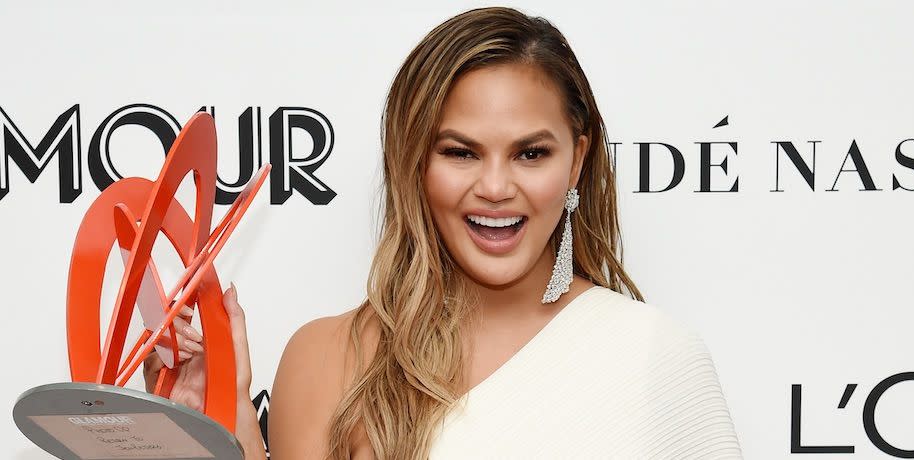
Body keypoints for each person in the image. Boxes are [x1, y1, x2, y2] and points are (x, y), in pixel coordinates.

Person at [148, 6, 743, 459]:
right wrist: (215, 421)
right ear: (415, 163)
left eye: (530, 154)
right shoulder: (327, 357)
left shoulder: (654, 356)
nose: (495, 186)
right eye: (461, 152)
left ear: (577, 161)